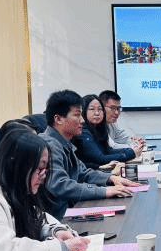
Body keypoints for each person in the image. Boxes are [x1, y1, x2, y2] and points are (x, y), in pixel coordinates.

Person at [40, 89, 138, 220]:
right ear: (58, 119)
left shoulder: (64, 142)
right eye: (77, 115)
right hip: (59, 218)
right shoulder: (49, 145)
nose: (82, 120)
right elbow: (61, 186)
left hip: (71, 210)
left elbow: (83, 173)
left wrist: (110, 178)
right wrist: (104, 191)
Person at [77, 93, 140, 169]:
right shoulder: (83, 132)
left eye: (100, 109)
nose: (97, 113)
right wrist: (131, 153)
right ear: (83, 111)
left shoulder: (99, 128)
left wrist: (130, 150)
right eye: (92, 109)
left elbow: (108, 150)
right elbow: (100, 159)